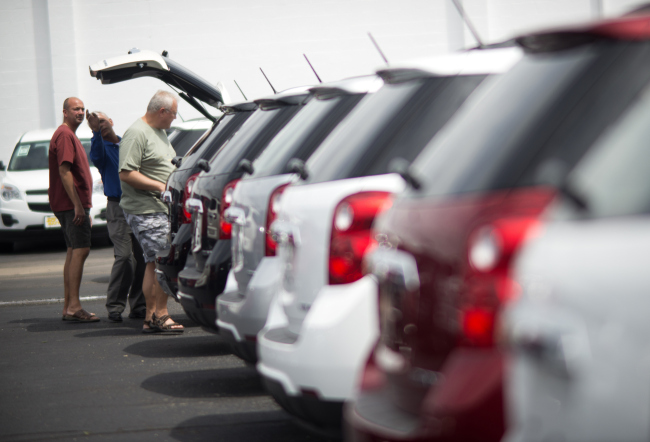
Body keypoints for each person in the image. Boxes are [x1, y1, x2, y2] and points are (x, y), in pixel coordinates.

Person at [119, 90, 184, 334]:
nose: (174, 119)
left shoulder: (159, 131)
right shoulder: (137, 133)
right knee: (163, 261)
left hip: (159, 209)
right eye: (174, 114)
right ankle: (161, 315)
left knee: (153, 263)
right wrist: (159, 186)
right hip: (146, 209)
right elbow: (126, 173)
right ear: (162, 111)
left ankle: (150, 317)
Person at [87, 110, 146, 322]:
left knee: (142, 258)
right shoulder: (101, 149)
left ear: (111, 121)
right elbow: (95, 156)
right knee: (124, 258)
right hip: (117, 208)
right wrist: (94, 132)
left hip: (139, 205)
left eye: (102, 121)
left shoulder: (128, 143)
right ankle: (115, 306)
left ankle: (139, 306)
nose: (100, 124)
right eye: (95, 123)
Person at [49, 97, 100, 323]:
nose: (80, 112)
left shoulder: (68, 134)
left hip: (71, 205)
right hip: (71, 205)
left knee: (73, 250)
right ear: (65, 112)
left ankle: (68, 305)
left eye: (82, 108)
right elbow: (64, 171)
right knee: (80, 250)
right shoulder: (65, 135)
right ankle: (74, 307)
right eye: (75, 109)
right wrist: (78, 205)